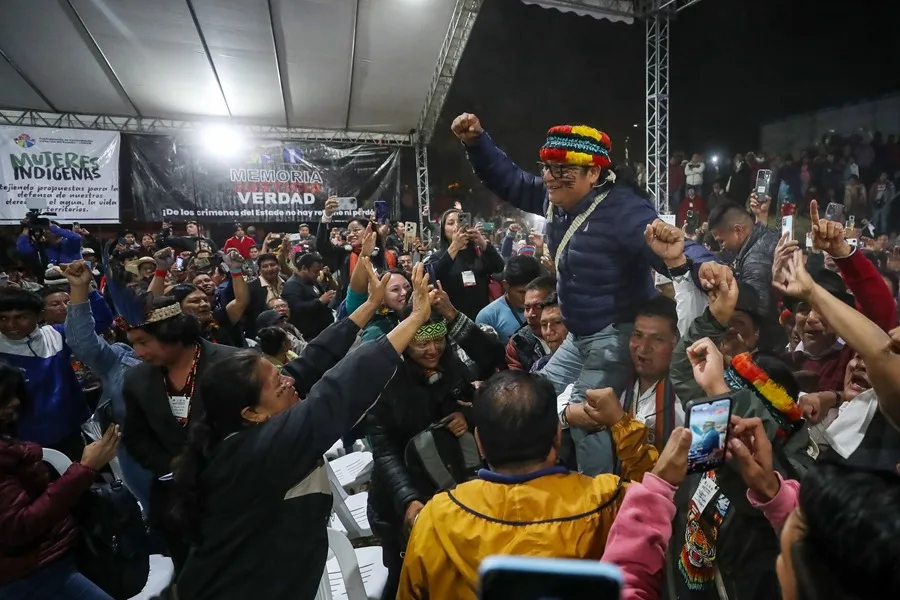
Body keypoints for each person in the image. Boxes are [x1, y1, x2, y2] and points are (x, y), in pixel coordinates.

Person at [451, 114, 718, 475]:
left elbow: (669, 245)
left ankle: (600, 499)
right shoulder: (554, 199)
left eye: (563, 170)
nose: (550, 176)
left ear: (593, 173)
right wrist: (477, 143)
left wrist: (702, 265)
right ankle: (525, 471)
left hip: (615, 332)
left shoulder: (623, 209)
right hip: (580, 336)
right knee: (533, 392)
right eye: (546, 167)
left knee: (587, 412)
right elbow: (509, 180)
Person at [171, 262, 433, 600]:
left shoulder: (246, 424)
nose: (289, 380)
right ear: (251, 413)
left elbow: (312, 360)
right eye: (277, 382)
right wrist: (414, 320)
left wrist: (370, 305)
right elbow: (336, 393)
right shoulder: (260, 451)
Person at [398, 370, 687, 599]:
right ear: (557, 437)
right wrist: (621, 424)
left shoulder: (437, 518)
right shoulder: (606, 499)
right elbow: (650, 505)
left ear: (480, 443)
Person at [122, 296, 243, 571]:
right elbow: (135, 437)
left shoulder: (233, 363)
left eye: (143, 342)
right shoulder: (137, 380)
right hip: (180, 504)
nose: (138, 353)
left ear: (172, 333)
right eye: (133, 344)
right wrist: (173, 465)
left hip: (238, 491)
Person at [0, 361, 121, 600]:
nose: (14, 403)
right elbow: (19, 525)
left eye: (14, 394)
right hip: (31, 572)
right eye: (4, 398)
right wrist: (85, 469)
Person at [0, 284, 112, 459]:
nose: (10, 325)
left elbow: (101, 321)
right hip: (23, 441)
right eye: (3, 319)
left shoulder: (56, 334)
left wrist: (84, 287)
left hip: (71, 430)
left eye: (20, 317)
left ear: (39, 316)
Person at [708, 200, 782, 350]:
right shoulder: (763, 235)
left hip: (767, 344)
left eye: (722, 241)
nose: (722, 247)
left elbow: (757, 308)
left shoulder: (755, 259)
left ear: (738, 230)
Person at [428, 208, 505, 320]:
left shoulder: (477, 253)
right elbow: (435, 276)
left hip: (481, 317)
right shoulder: (438, 256)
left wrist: (482, 242)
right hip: (452, 318)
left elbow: (499, 267)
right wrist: (455, 246)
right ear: (443, 230)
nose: (456, 226)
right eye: (450, 223)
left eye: (460, 221)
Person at [476, 255, 542, 343]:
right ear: (506, 285)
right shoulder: (488, 316)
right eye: (521, 292)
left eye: (531, 291)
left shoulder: (546, 306)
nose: (527, 298)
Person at [505, 274, 556, 371]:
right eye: (527, 308)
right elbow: (517, 381)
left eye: (538, 307)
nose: (530, 315)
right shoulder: (518, 343)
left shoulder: (574, 334)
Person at [281, 252, 335, 341]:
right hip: (309, 335)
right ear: (304, 268)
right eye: (316, 271)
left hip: (323, 330)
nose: (318, 274)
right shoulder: (292, 285)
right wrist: (319, 301)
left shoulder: (312, 280)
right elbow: (295, 308)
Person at [16, 220, 83, 268]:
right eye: (45, 230)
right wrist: (25, 231)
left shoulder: (69, 242)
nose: (46, 231)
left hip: (73, 280)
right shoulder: (44, 246)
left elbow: (77, 238)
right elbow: (23, 249)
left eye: (48, 229)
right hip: (52, 283)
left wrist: (52, 227)